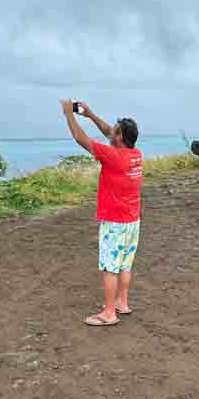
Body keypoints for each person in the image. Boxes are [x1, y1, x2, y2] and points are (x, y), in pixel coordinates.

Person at [61, 99, 143, 327]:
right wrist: (90, 115)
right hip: (132, 221)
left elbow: (81, 139)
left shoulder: (113, 156)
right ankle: (121, 303)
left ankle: (109, 313)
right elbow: (109, 131)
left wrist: (69, 114)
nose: (110, 133)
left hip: (115, 222)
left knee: (109, 267)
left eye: (114, 132)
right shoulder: (135, 154)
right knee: (125, 264)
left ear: (120, 139)